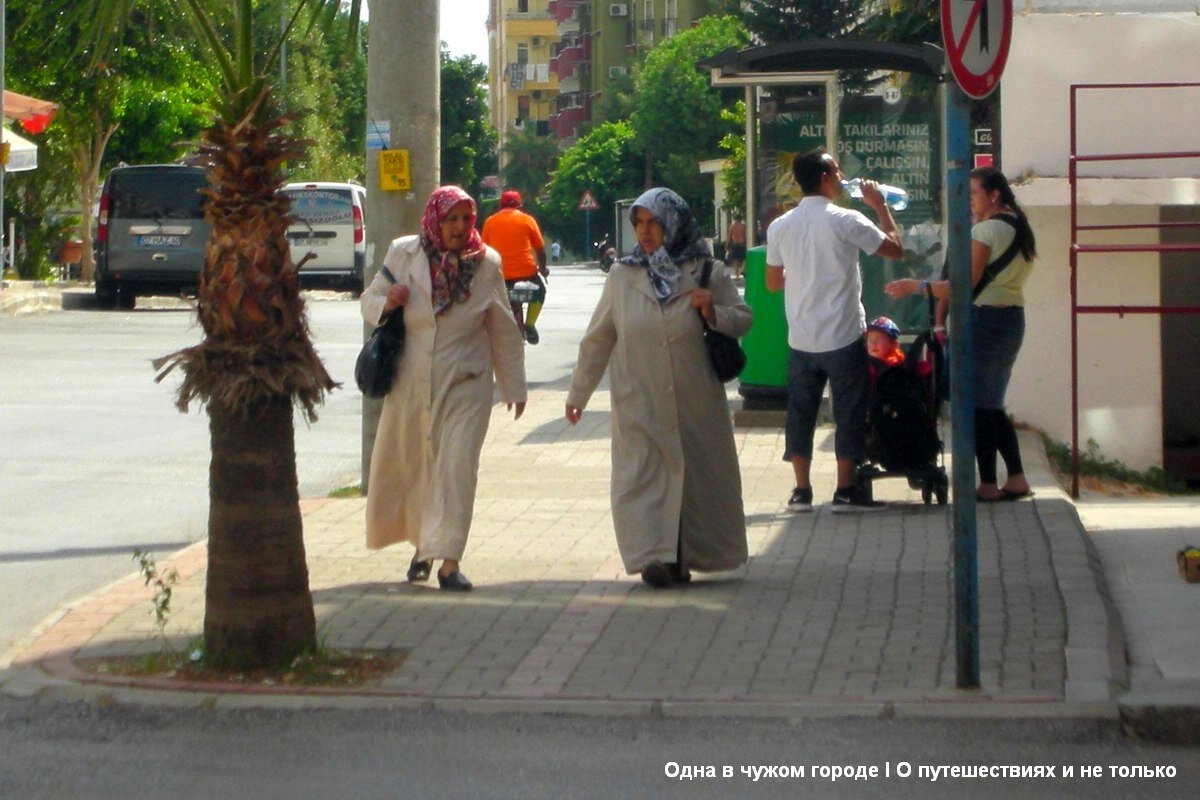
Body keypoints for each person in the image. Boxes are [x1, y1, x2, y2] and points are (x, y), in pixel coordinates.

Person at [565, 188, 751, 588]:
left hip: (694, 398)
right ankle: (654, 557)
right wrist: (578, 394)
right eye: (639, 223)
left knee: (693, 477)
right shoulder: (622, 275)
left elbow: (743, 319)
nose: (645, 232)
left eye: (654, 223)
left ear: (673, 223)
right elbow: (599, 338)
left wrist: (711, 310)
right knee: (644, 478)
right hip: (639, 398)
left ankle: (684, 555)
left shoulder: (707, 270)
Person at [361, 186, 527, 591]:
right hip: (412, 384)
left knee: (456, 469)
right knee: (419, 466)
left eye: (466, 219)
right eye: (451, 219)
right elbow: (369, 299)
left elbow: (503, 327)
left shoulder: (486, 264)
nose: (459, 227)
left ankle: (449, 561)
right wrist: (389, 301)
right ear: (435, 219)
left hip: (466, 384)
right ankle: (422, 548)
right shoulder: (405, 253)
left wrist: (514, 386)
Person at [884, 166, 1036, 502]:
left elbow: (963, 285)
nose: (968, 201)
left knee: (979, 405)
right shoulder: (1018, 227)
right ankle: (1016, 477)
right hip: (1012, 317)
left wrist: (918, 287)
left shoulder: (985, 231)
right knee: (993, 403)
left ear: (993, 194)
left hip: (985, 319)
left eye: (973, 194)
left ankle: (987, 484)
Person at [765, 149, 904, 513]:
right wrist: (881, 206)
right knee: (849, 411)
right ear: (826, 177)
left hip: (801, 336)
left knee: (800, 412)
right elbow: (894, 249)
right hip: (842, 334)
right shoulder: (846, 220)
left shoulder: (780, 226)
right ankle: (845, 490)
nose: (843, 178)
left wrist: (804, 272)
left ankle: (801, 491)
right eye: (838, 171)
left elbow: (772, 283)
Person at [481, 189, 549, 344]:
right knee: (540, 292)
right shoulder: (527, 220)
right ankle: (530, 324)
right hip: (527, 274)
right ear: (519, 205)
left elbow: (484, 250)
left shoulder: (490, 221)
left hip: (500, 276)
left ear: (500, 205)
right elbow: (540, 250)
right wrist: (543, 269)